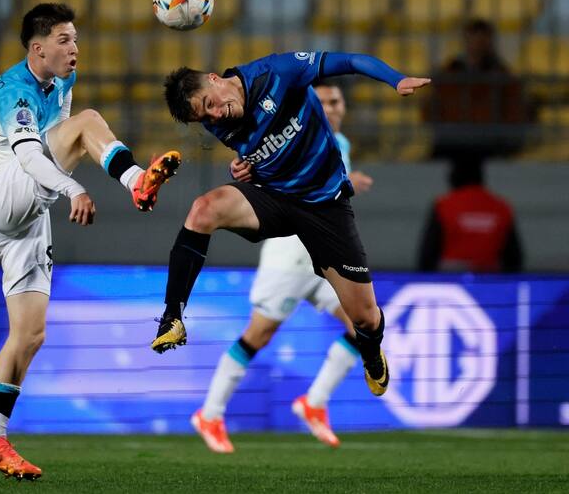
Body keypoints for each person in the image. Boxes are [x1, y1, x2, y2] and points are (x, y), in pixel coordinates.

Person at [0, 3, 181, 480]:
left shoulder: (59, 82)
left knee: (30, 334)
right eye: (65, 40)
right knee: (87, 121)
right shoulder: (15, 90)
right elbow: (30, 155)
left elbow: (54, 143)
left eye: (77, 40)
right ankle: (136, 182)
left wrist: (63, 181)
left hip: (26, 215)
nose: (75, 49)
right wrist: (73, 187)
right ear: (37, 47)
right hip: (4, 190)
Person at [151, 50, 430, 408]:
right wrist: (243, 170)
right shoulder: (217, 120)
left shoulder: (278, 72)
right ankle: (172, 317)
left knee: (364, 316)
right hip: (277, 200)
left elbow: (347, 61)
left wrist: (396, 79)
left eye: (211, 104)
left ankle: (372, 352)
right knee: (204, 209)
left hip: (325, 207)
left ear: (214, 78)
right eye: (205, 115)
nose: (216, 115)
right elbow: (254, 155)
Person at [192, 81, 373, 453]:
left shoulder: (342, 144)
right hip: (289, 255)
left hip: (321, 257)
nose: (331, 108)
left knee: (364, 326)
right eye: (322, 102)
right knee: (258, 335)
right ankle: (210, 413)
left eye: (336, 100)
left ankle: (315, 403)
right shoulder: (297, 136)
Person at [424, 18, 528, 158]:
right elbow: (431, 108)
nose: (477, 44)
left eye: (482, 39)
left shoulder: (503, 77)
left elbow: (514, 111)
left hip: (489, 141)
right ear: (466, 40)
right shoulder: (448, 74)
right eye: (474, 38)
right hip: (454, 140)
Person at [418, 156, 523, 273]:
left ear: (454, 176)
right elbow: (514, 257)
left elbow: (428, 254)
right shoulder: (502, 207)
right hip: (490, 277)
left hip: (450, 277)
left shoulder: (443, 206)